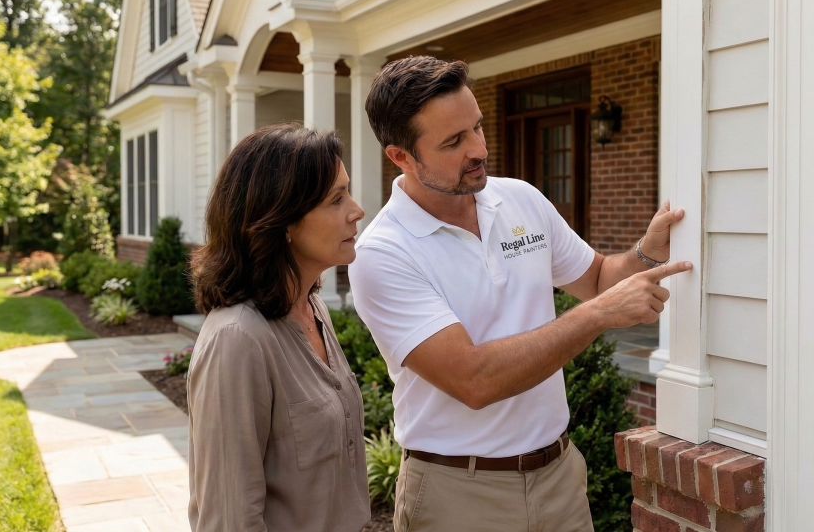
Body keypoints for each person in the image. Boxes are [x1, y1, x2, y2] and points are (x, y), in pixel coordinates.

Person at [348, 56, 692, 531]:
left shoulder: (520, 199)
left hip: (560, 477)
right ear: (400, 156)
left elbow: (595, 280)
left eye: (477, 128)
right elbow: (474, 381)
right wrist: (596, 316)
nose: (478, 149)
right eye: (453, 141)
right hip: (459, 494)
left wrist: (645, 254)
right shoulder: (383, 253)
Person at [187, 125, 369, 532]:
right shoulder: (237, 340)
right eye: (336, 199)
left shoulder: (313, 308)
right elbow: (229, 520)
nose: (356, 210)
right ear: (281, 220)